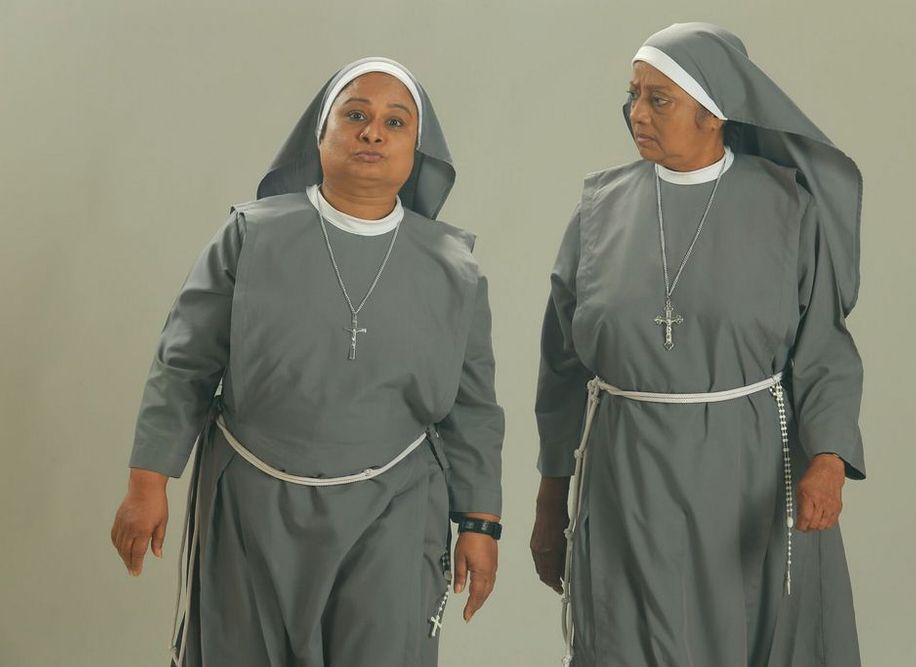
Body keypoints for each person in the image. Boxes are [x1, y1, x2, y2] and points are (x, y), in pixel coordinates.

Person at [110, 57, 504, 667]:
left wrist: (479, 522)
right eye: (355, 115)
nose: (373, 133)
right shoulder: (251, 235)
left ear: (417, 149)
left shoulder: (453, 266)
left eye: (395, 122)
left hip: (395, 504)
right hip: (252, 500)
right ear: (320, 135)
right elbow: (183, 364)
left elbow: (472, 405)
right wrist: (147, 484)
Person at [530, 23, 866, 666]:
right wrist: (551, 497)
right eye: (633, 95)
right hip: (626, 481)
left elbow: (823, 347)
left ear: (714, 112)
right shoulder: (600, 209)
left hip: (748, 474)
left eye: (659, 99)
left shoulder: (785, 207)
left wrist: (828, 460)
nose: (636, 113)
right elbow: (561, 366)